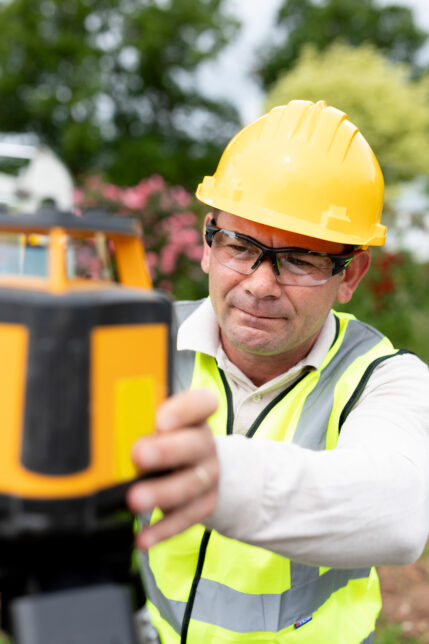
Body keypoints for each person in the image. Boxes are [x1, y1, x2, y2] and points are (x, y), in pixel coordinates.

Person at [126, 99, 429, 643]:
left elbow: (400, 513)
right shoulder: (139, 342)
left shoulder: (384, 379)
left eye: (299, 260)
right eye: (240, 247)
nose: (261, 284)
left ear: (349, 274)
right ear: (208, 242)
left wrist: (220, 478)